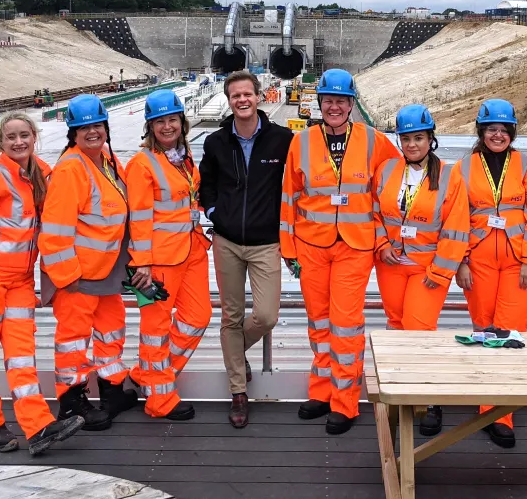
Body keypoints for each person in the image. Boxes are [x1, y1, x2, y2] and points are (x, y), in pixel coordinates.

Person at [0, 111, 85, 455]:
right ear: (1, 141)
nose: (19, 142)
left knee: (22, 357)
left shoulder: (42, 175)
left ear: (34, 136)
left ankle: (37, 427)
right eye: (11, 137)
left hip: (21, 284)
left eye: (25, 135)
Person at [280, 68, 400, 435]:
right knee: (318, 322)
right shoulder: (300, 142)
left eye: (341, 101)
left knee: (345, 324)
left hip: (355, 246)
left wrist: (387, 235)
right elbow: (289, 197)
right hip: (312, 245)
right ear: (320, 104)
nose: (334, 106)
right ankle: (322, 390)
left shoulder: (374, 141)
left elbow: (396, 181)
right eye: (328, 100)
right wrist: (289, 248)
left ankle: (345, 403)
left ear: (352, 105)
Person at [452, 99, 527, 448]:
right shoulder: (462, 169)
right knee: (483, 330)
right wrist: (460, 261)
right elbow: (455, 218)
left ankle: (501, 415)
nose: (498, 134)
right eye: (492, 128)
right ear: (481, 132)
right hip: (477, 260)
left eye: (504, 129)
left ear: (512, 132)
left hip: (518, 263)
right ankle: (487, 404)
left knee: (509, 334)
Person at [39, 94, 138, 432]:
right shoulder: (71, 169)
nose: (92, 132)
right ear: (73, 132)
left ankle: (112, 390)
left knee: (112, 329)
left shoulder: (107, 159)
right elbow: (54, 231)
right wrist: (67, 278)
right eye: (84, 127)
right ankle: (72, 403)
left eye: (97, 125)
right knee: (73, 339)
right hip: (79, 275)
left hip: (107, 270)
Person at [199, 70, 293, 428]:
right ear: (229, 99)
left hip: (266, 243)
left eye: (247, 94)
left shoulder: (282, 139)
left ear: (259, 96)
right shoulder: (216, 142)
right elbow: (206, 184)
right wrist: (212, 212)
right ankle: (238, 391)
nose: (242, 100)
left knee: (266, 315)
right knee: (231, 316)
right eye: (235, 95)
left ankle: (235, 356)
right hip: (226, 242)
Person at [372, 104, 469, 436]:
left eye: (418, 138)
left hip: (428, 269)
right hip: (392, 265)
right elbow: (373, 212)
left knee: (419, 330)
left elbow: (456, 228)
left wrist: (441, 272)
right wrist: (381, 245)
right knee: (397, 328)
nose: (412, 144)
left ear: (431, 138)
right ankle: (403, 395)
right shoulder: (386, 171)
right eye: (406, 138)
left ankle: (430, 399)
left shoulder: (449, 176)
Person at [126, 89, 212, 421]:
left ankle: (146, 375)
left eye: (172, 120)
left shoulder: (183, 158)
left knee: (197, 318)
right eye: (159, 121)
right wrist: (142, 264)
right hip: (157, 262)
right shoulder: (141, 164)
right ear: (149, 126)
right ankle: (159, 399)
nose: (167, 126)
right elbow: (140, 217)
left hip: (191, 251)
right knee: (156, 329)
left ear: (182, 122)